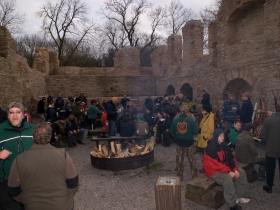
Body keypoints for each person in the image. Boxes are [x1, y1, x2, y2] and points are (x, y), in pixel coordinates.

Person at [8, 123, 78, 210]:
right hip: (61, 205)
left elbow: (13, 189)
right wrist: (64, 194)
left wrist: (25, 199)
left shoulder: (19, 159)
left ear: (33, 138)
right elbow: (73, 181)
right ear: (50, 137)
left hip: (32, 206)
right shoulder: (63, 154)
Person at [203, 129, 249, 210]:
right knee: (227, 178)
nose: (222, 138)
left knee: (241, 172)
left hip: (223, 168)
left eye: (223, 135)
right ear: (216, 136)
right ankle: (232, 204)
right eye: (220, 136)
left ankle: (238, 196)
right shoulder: (210, 148)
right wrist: (229, 172)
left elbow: (231, 158)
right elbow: (215, 165)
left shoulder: (224, 145)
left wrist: (235, 169)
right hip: (213, 171)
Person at [0, 102, 34, 210]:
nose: (15, 115)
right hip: (6, 182)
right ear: (7, 115)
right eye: (11, 112)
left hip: (30, 180)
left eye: (18, 112)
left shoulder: (33, 129)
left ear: (23, 114)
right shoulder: (0, 129)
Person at [170, 105, 198, 181]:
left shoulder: (175, 120)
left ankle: (179, 177)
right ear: (187, 112)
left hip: (179, 143)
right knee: (192, 160)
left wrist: (176, 138)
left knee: (179, 161)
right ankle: (194, 176)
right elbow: (195, 132)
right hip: (189, 143)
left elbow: (171, 131)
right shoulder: (191, 120)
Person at [260, 104, 280, 193]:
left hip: (271, 148)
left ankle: (269, 186)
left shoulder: (268, 120)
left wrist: (266, 142)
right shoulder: (269, 120)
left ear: (275, 110)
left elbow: (263, 135)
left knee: (270, 168)